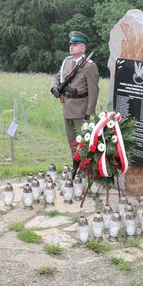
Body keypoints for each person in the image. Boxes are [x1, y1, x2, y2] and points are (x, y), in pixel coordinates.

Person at [51, 31, 99, 178]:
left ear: (83, 48)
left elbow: (94, 91)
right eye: (71, 44)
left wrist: (88, 114)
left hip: (81, 111)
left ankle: (86, 171)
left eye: (76, 44)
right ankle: (75, 168)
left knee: (83, 143)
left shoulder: (89, 66)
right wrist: (54, 87)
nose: (72, 47)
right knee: (72, 142)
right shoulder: (67, 61)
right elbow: (57, 76)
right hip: (67, 108)